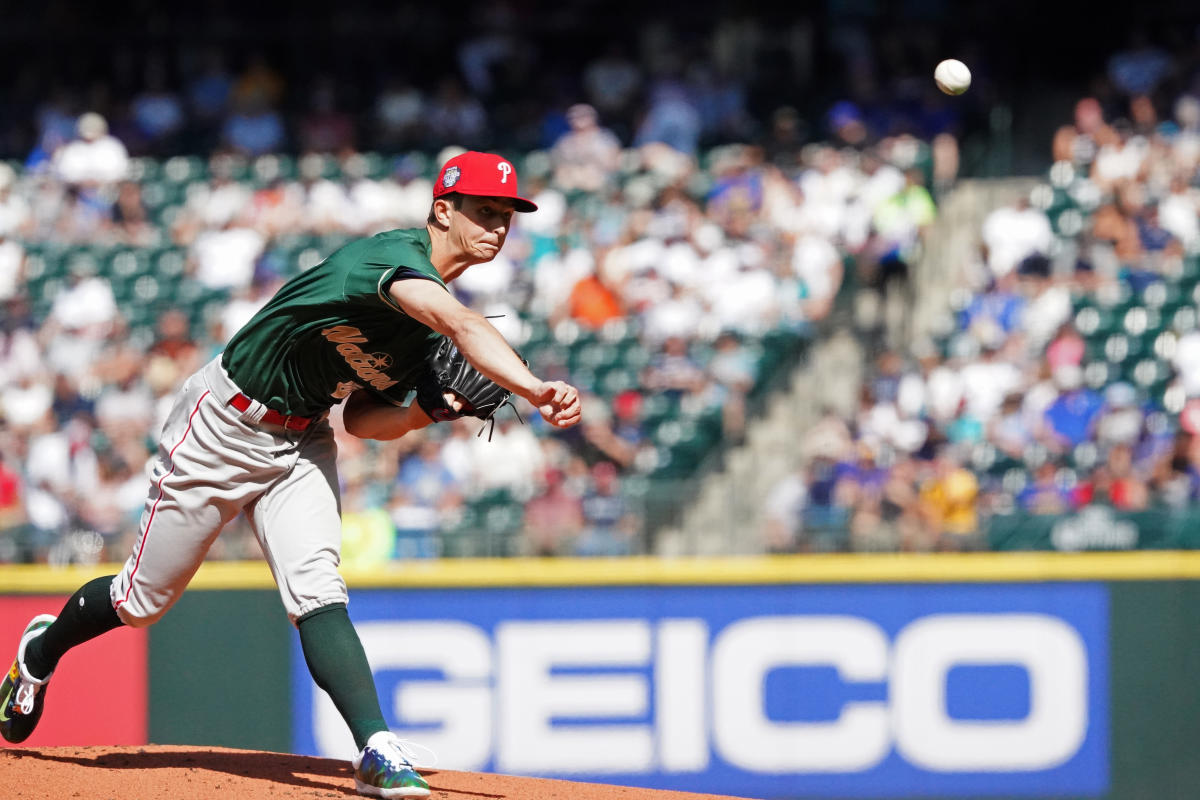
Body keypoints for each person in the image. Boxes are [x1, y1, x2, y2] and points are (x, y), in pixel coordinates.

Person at [0, 151, 582, 799]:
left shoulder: (425, 331)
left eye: (506, 215)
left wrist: (431, 407)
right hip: (224, 421)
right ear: (442, 210)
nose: (499, 226)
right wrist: (533, 388)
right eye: (485, 211)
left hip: (304, 437)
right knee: (141, 603)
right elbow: (462, 321)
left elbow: (362, 421)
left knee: (318, 591)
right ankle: (40, 653)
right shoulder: (389, 262)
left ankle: (376, 748)